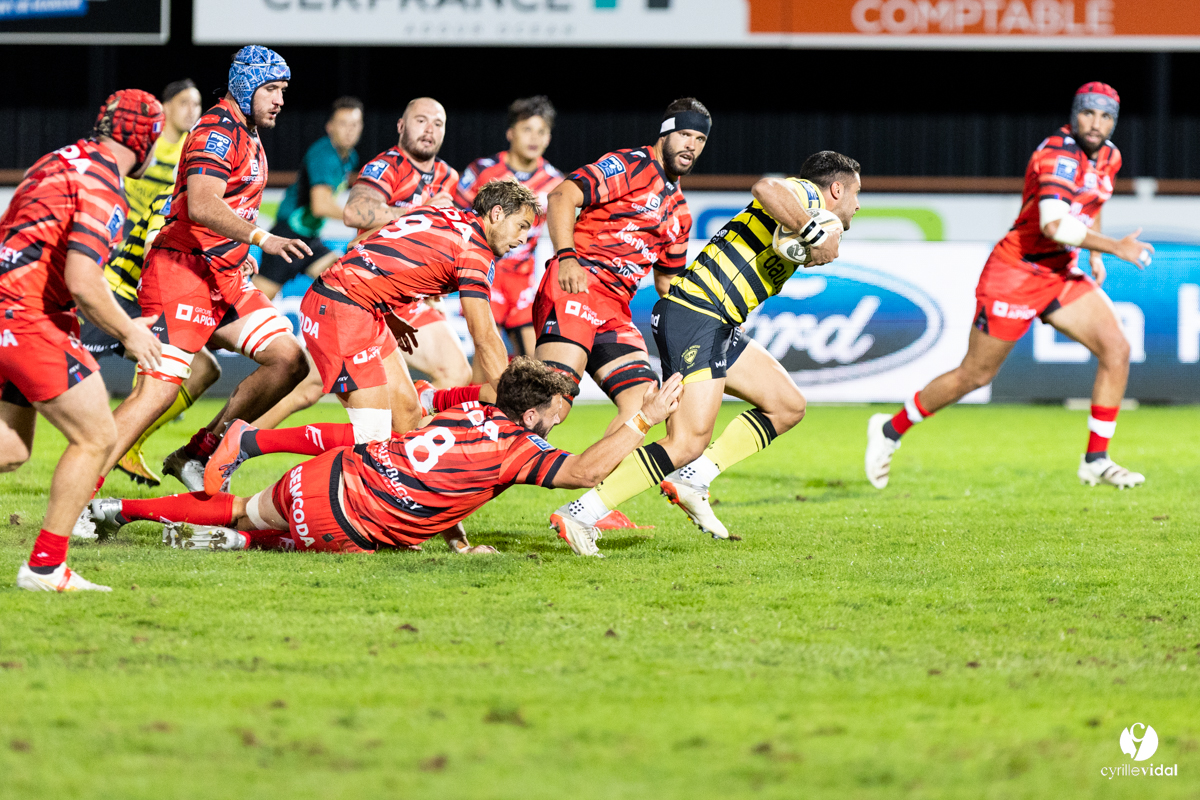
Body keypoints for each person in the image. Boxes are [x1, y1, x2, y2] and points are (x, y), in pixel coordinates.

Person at [548, 153, 856, 548]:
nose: (858, 205)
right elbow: (766, 187)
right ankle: (582, 513)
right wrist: (813, 234)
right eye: (856, 193)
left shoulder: (809, 215)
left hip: (716, 321)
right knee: (686, 442)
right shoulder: (807, 195)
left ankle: (695, 478)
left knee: (787, 405)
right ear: (836, 188)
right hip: (697, 315)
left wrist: (811, 240)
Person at [89, 359, 684, 559]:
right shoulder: (518, 448)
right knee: (280, 539)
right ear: (531, 416)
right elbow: (585, 472)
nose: (561, 420)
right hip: (342, 522)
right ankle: (242, 543)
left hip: (320, 480)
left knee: (244, 507)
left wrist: (457, 541)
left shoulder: (457, 417)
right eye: (558, 412)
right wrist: (642, 419)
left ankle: (122, 509)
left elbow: (440, 480)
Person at [865, 82, 1154, 491]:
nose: (1096, 123)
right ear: (1075, 114)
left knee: (1117, 349)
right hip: (1016, 272)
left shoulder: (1109, 156)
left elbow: (1092, 205)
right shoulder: (1057, 153)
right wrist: (1114, 247)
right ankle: (888, 430)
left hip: (1058, 273)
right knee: (975, 375)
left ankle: (1095, 459)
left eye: (1106, 116)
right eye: (1089, 113)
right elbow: (1054, 224)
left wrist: (1096, 255)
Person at [198, 179, 541, 495]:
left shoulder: (443, 211)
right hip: (343, 309)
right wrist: (511, 399)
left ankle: (432, 523)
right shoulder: (476, 253)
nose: (524, 238)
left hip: (362, 307)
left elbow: (361, 242)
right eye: (522, 226)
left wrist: (390, 299)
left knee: (407, 417)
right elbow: (483, 335)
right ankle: (247, 443)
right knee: (373, 439)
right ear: (496, 214)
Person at [93, 46, 312, 498]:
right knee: (155, 394)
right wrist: (260, 239)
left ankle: (198, 453)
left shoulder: (249, 133)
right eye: (271, 89)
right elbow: (202, 203)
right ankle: (81, 494)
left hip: (226, 279)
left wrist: (242, 252)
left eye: (283, 91)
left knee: (289, 361)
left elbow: (226, 208)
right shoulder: (217, 128)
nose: (279, 100)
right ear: (246, 85)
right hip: (183, 275)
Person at [2, 90, 166, 591]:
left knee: (10, 449)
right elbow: (83, 280)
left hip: (10, 307)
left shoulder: (58, 159)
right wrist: (131, 332)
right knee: (98, 436)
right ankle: (46, 566)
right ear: (143, 139)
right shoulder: (102, 183)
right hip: (28, 316)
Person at [533, 97, 707, 438]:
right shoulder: (631, 166)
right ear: (665, 133)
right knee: (549, 405)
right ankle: (466, 450)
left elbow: (668, 283)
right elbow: (561, 197)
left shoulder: (680, 212)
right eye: (685, 134)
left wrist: (708, 313)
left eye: (700, 139)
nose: (692, 145)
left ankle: (593, 489)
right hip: (577, 284)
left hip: (614, 310)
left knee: (646, 402)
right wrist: (566, 256)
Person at [79, 78, 222, 488]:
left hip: (141, 277)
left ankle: (124, 446)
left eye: (198, 104)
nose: (192, 111)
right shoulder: (152, 155)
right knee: (49, 383)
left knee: (196, 370)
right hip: (116, 276)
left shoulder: (183, 157)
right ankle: (104, 457)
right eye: (184, 103)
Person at [342, 97, 470, 389]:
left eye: (438, 124)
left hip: (406, 295)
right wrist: (423, 212)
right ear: (401, 126)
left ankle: (236, 433)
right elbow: (353, 212)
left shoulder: (448, 176)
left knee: (457, 374)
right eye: (420, 120)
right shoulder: (388, 167)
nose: (429, 130)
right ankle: (235, 432)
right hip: (366, 290)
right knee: (303, 383)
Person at [455, 95, 563, 364]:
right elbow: (455, 219)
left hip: (523, 281)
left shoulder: (555, 183)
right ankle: (470, 406)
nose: (534, 138)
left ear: (549, 138)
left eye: (541, 131)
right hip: (484, 272)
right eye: (527, 129)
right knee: (487, 362)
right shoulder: (482, 171)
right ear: (511, 133)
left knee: (534, 364)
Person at [254, 96, 364, 300]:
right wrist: (362, 218)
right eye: (343, 123)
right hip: (288, 238)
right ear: (330, 127)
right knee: (251, 307)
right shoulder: (323, 154)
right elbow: (320, 206)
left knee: (343, 282)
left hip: (309, 241)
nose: (350, 129)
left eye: (355, 124)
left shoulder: (350, 158)